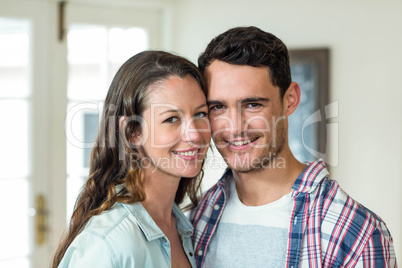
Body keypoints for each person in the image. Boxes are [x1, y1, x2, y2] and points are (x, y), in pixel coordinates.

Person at [190, 26, 397, 267]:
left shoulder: (356, 233)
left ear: (290, 100)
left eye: (253, 104)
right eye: (218, 107)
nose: (235, 128)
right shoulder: (198, 216)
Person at [52, 50, 211, 268]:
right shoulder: (108, 243)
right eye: (171, 119)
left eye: (200, 114)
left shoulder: (183, 227)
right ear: (132, 132)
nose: (195, 134)